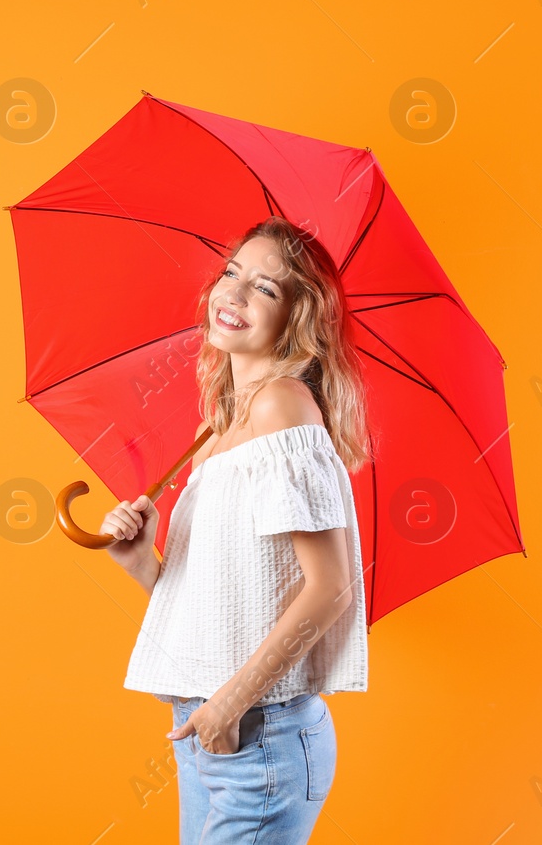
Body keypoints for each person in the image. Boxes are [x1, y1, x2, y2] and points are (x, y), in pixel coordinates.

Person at [101, 216, 372, 844]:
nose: (236, 293)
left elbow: (330, 587)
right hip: (205, 725)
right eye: (232, 273)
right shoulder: (215, 432)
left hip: (260, 733)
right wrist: (142, 562)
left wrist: (231, 703)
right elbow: (221, 606)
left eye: (267, 289)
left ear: (297, 320)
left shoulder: (282, 405)